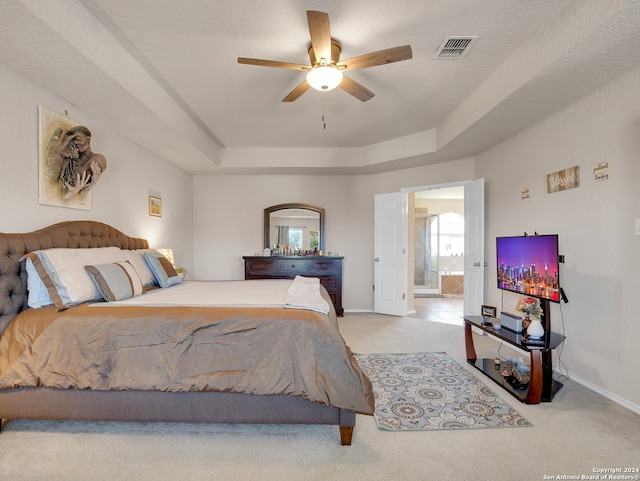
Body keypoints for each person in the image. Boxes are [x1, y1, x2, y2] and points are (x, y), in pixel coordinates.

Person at [55, 125, 107, 199]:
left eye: (78, 139)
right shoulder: (69, 156)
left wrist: (94, 181)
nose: (75, 142)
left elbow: (82, 192)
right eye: (73, 140)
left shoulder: (97, 159)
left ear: (88, 140)